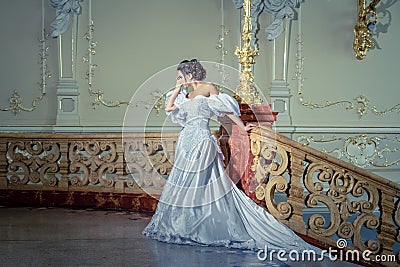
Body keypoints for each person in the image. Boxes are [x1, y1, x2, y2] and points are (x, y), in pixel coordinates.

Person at [142, 59, 320, 254]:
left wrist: (243, 126)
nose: (178, 80)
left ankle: (208, 225)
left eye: (179, 76)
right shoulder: (185, 94)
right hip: (186, 140)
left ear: (189, 75)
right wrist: (177, 88)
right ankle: (183, 224)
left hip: (202, 138)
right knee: (184, 181)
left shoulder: (208, 87)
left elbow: (225, 109)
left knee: (205, 179)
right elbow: (169, 108)